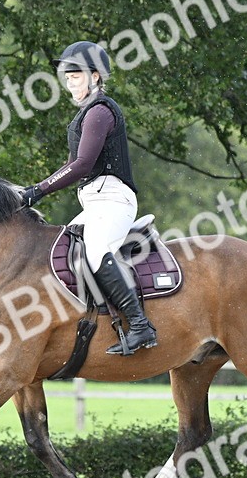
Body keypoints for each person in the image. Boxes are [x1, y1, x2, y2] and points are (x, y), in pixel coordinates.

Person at [19, 41, 158, 355]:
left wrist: (37, 192)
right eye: (67, 77)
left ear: (96, 76)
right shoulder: (84, 116)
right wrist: (32, 190)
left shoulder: (99, 113)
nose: (69, 82)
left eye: (76, 75)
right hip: (95, 203)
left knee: (95, 251)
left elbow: (81, 166)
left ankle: (140, 326)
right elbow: (72, 165)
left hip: (114, 200)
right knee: (64, 248)